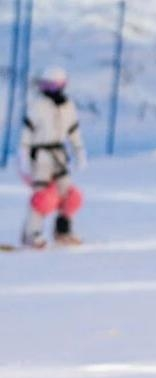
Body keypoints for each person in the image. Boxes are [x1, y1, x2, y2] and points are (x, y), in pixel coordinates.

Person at [18, 66, 87, 249]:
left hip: (59, 156)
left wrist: (79, 151)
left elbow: (73, 131)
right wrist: (23, 157)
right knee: (42, 197)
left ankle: (63, 230)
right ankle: (32, 233)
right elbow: (26, 134)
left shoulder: (67, 106)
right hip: (40, 157)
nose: (51, 90)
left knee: (68, 195)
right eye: (47, 86)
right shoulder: (38, 105)